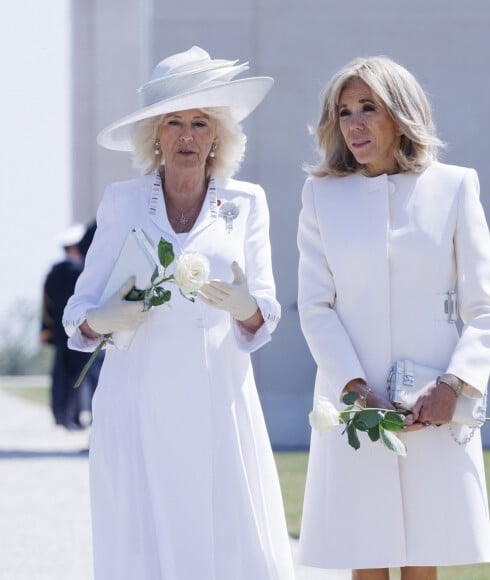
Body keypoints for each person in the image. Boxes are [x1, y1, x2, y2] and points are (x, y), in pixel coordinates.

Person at [63, 46, 294, 580]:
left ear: (218, 136)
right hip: (137, 401)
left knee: (228, 542)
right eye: (173, 122)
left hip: (219, 400)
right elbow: (79, 312)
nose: (187, 135)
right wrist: (105, 316)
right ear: (155, 135)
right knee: (141, 542)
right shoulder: (121, 201)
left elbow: (267, 311)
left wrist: (247, 308)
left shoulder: (247, 202)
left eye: (199, 122)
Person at [297, 56, 490, 580]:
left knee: (424, 550)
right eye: (344, 112)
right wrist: (353, 386)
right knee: (362, 551)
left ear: (401, 113)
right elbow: (316, 306)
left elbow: (485, 308)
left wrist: (455, 386)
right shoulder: (322, 196)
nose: (355, 123)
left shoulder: (455, 187)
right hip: (354, 400)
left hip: (432, 398)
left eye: (368, 107)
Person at [41, 222, 101, 429]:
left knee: (62, 375)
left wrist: (46, 330)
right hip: (82, 329)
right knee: (86, 375)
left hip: (59, 334)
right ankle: (83, 417)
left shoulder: (54, 272)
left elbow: (46, 305)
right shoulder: (83, 271)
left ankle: (62, 415)